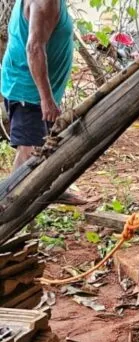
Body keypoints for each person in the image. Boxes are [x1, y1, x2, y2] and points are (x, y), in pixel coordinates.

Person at [1, 0, 85, 204]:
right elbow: (34, 48)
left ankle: (45, 188)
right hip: (29, 94)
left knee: (43, 143)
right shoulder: (44, 2)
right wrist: (45, 99)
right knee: (30, 151)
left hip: (32, 90)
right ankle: (8, 204)